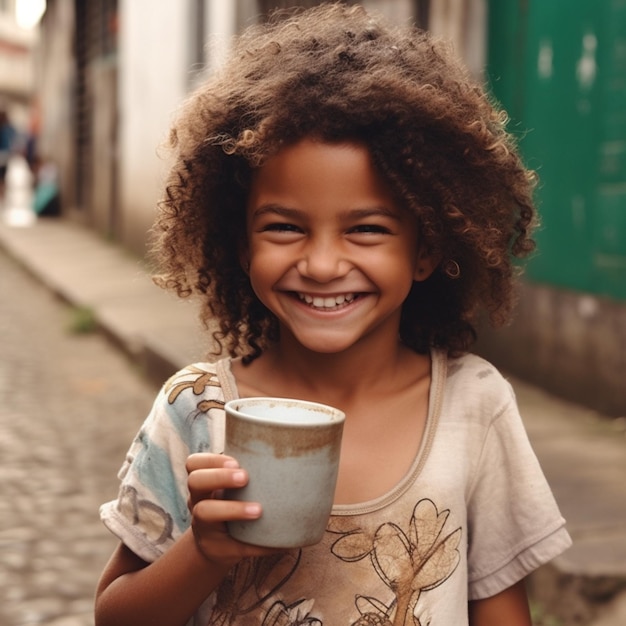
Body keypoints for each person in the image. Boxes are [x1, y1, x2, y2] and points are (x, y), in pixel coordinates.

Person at [95, 4, 572, 625]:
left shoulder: (473, 405)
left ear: (425, 249)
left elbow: (502, 610)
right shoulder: (196, 410)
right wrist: (203, 554)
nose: (321, 264)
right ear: (242, 243)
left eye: (367, 229)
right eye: (285, 227)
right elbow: (115, 616)